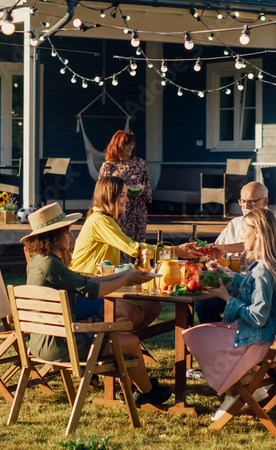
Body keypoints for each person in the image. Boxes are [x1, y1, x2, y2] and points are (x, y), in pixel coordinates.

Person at [22, 203, 173, 406]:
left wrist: (125, 275)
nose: (70, 235)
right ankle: (146, 392)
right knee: (130, 342)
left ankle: (139, 390)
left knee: (124, 338)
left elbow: (87, 282)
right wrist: (126, 278)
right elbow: (93, 292)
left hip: (38, 342)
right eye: (66, 231)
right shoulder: (51, 264)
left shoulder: (38, 261)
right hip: (60, 345)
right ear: (53, 235)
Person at [181, 208, 276, 421]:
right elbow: (250, 285)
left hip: (262, 342)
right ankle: (246, 386)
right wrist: (225, 273)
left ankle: (238, 390)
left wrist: (227, 299)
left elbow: (258, 318)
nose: (241, 236)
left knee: (196, 336)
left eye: (244, 231)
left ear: (258, 232)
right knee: (206, 332)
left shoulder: (262, 269)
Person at [70, 176, 202, 329]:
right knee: (137, 311)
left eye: (126, 194)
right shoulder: (99, 220)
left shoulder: (105, 219)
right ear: (108, 197)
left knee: (152, 306)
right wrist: (175, 250)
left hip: (102, 284)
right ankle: (113, 345)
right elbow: (134, 249)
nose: (127, 199)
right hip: (86, 289)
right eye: (122, 195)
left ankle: (126, 344)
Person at [194, 181, 274, 325]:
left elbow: (264, 245)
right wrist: (212, 260)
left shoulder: (273, 227)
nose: (245, 206)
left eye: (251, 201)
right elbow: (216, 251)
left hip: (250, 295)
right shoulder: (234, 224)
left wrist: (226, 249)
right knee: (202, 304)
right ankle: (221, 335)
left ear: (265, 201)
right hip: (232, 286)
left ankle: (224, 337)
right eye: (242, 201)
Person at [99, 130, 152, 266]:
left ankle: (139, 273)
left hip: (138, 210)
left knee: (139, 245)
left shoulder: (140, 163)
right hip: (119, 211)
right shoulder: (108, 167)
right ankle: (122, 274)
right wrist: (122, 191)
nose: (131, 148)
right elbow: (103, 191)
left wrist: (141, 190)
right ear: (118, 146)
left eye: (132, 144)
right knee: (122, 244)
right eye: (127, 145)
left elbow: (147, 186)